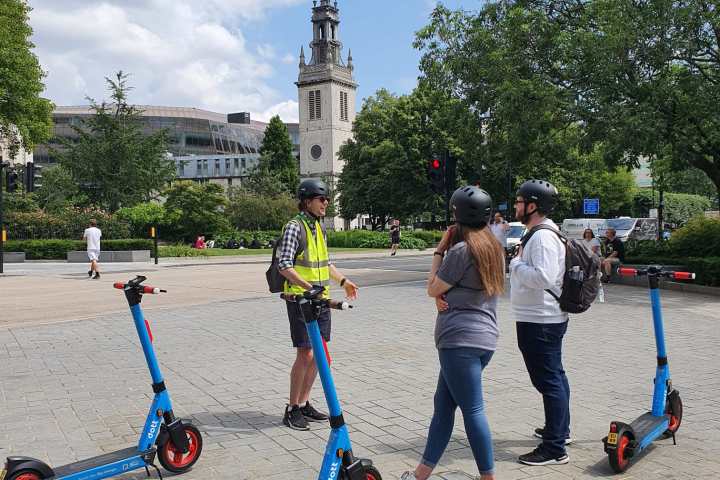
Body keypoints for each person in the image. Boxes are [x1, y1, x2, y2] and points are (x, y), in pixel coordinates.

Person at [402, 186, 504, 480]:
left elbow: (433, 286)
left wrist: (439, 249)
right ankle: (421, 473)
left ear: (457, 216)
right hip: (484, 339)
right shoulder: (494, 250)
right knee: (443, 406)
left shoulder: (461, 251)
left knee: (473, 411)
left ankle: (488, 477)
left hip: (459, 341)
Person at [277, 178, 359, 430]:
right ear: (307, 201)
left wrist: (344, 281)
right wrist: (307, 287)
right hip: (301, 300)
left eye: (326, 199)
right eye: (321, 199)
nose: (326, 203)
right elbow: (284, 265)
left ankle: (304, 403)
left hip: (320, 300)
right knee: (306, 353)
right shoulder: (294, 227)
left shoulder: (319, 229)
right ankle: (292, 409)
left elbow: (326, 263)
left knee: (320, 355)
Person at [510, 179, 571, 466]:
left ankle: (555, 449)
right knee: (554, 376)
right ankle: (559, 431)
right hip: (540, 317)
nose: (515, 206)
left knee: (548, 381)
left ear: (533, 206)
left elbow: (544, 277)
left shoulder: (543, 237)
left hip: (541, 320)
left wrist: (516, 265)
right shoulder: (538, 233)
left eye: (520, 202)